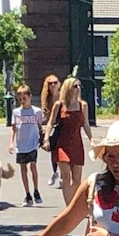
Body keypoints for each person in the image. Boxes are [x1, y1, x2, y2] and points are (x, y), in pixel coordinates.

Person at [43, 77, 92, 206]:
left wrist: (92, 139)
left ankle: (74, 205)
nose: (78, 89)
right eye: (75, 86)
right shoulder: (59, 105)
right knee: (66, 176)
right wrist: (46, 138)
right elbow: (50, 123)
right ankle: (68, 206)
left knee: (77, 179)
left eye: (79, 86)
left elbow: (86, 124)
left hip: (77, 144)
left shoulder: (83, 105)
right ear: (68, 88)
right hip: (62, 145)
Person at [9, 84, 44, 207]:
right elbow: (13, 128)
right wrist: (11, 143)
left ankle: (36, 190)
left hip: (32, 143)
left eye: (24, 98)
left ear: (30, 97)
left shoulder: (36, 111)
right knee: (23, 168)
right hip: (21, 144)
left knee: (33, 166)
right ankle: (27, 194)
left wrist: (42, 139)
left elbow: (40, 127)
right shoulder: (16, 112)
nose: (22, 101)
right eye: (20, 99)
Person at [40, 74, 61, 188]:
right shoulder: (46, 99)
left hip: (62, 126)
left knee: (61, 150)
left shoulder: (62, 96)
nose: (53, 85)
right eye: (50, 83)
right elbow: (47, 119)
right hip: (52, 127)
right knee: (53, 151)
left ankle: (62, 176)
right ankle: (55, 172)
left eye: (55, 82)